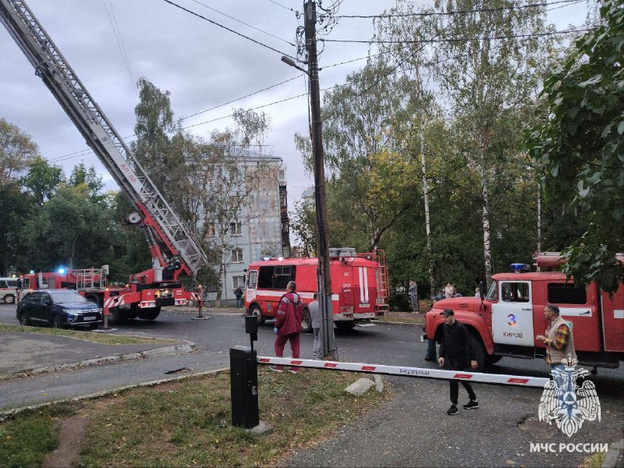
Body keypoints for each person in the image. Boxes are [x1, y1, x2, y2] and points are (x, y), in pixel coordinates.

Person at [438, 309, 479, 415]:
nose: (445, 319)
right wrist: (441, 355)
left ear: (452, 316)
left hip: (460, 358)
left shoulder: (460, 327)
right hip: (450, 357)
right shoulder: (445, 327)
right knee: (462, 378)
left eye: (447, 317)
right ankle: (473, 399)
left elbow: (470, 343)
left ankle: (454, 404)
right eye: (444, 317)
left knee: (453, 379)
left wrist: (473, 359)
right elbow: (444, 342)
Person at [272, 281, 305, 374]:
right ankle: (294, 369)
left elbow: (281, 314)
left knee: (278, 345)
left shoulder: (285, 299)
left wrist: (277, 326)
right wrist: (298, 323)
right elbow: (302, 314)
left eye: (287, 286)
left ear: (289, 288)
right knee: (295, 347)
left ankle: (279, 367)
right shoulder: (300, 300)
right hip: (296, 327)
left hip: (286, 327)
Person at [536, 304, 577, 369]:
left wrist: (544, 339)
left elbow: (559, 345)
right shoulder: (554, 324)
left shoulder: (561, 326)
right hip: (557, 362)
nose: (544, 313)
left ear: (551, 313)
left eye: (545, 311)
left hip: (563, 364)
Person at [309, 293, 322, 360]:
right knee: (320, 339)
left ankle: (314, 352)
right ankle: (317, 354)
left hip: (313, 324)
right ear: (318, 297)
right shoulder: (320, 304)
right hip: (320, 324)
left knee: (316, 338)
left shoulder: (310, 305)